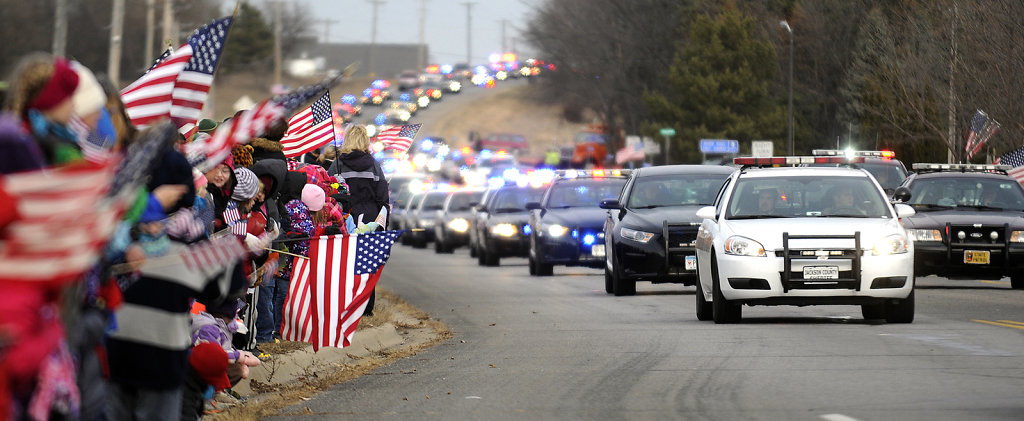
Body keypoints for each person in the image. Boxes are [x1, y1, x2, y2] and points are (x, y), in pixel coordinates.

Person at [328, 124, 389, 315]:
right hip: (370, 219)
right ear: (365, 140)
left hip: (344, 219)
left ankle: (346, 306)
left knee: (344, 266)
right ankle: (366, 308)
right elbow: (383, 199)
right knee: (367, 265)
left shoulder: (337, 165)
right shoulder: (374, 166)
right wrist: (382, 225)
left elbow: (328, 192)